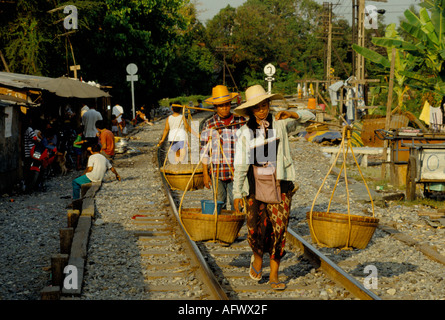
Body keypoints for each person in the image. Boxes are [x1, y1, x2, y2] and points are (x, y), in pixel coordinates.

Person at [232, 84, 315, 291]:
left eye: (265, 105)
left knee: (279, 230)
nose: (262, 110)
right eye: (257, 107)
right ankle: (258, 257)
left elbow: (309, 117)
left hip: (281, 185)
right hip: (253, 187)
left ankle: (275, 275)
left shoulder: (280, 124)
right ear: (251, 110)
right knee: (254, 228)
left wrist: (292, 113)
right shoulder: (245, 132)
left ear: (269, 104)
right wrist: (236, 192)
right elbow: (241, 164)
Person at [200, 85, 246, 210]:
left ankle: (236, 228)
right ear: (215, 107)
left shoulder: (240, 122)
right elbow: (204, 151)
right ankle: (223, 228)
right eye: (221, 105)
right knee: (219, 203)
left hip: (236, 171)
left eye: (227, 104)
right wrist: (205, 173)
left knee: (236, 203)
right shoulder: (210, 124)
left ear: (230, 104)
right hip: (217, 172)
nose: (224, 108)